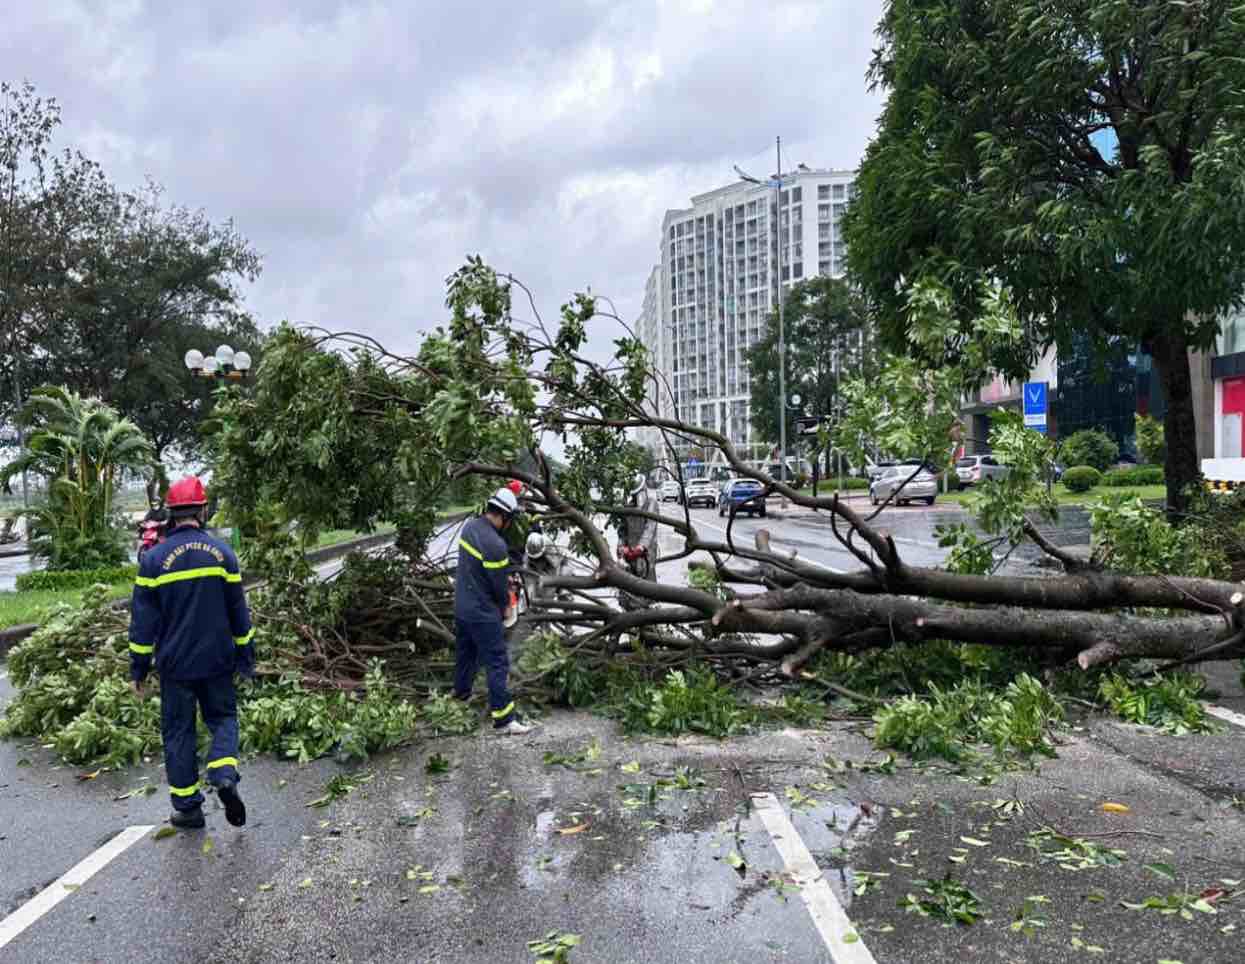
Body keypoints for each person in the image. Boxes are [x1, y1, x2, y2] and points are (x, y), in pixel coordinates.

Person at [128, 476, 254, 830]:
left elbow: (142, 626)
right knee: (224, 719)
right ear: (202, 509)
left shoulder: (152, 561)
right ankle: (224, 772)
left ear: (171, 513)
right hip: (217, 661)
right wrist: (246, 658)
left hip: (175, 666)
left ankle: (187, 808)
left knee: (179, 732)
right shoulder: (224, 556)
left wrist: (138, 669)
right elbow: (239, 616)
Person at [453, 486, 532, 735]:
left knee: (465, 655)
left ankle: (460, 698)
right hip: (482, 613)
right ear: (505, 517)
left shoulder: (469, 528)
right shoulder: (496, 545)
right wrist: (507, 608)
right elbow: (499, 587)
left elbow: (476, 570)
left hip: (462, 607)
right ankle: (504, 719)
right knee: (497, 661)